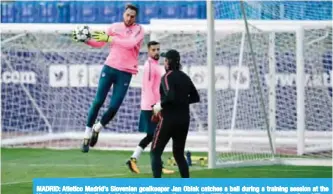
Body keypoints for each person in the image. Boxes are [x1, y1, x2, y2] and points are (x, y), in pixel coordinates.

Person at [73, 4, 145, 153]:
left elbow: (130, 43)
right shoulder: (114, 27)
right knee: (98, 101)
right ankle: (86, 136)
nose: (129, 18)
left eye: (132, 16)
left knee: (114, 107)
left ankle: (97, 128)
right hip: (109, 67)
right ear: (123, 14)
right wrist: (85, 40)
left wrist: (111, 39)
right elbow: (100, 43)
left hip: (125, 72)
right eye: (127, 15)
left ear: (135, 17)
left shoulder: (139, 30)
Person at [126, 41, 175, 175]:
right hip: (150, 107)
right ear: (148, 51)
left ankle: (134, 159)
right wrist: (154, 106)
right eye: (153, 50)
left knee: (152, 136)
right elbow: (148, 88)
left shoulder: (155, 66)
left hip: (155, 106)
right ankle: (155, 165)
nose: (156, 52)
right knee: (156, 136)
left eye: (158, 49)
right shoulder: (149, 66)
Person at [150, 49, 200, 178]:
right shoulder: (184, 77)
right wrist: (182, 102)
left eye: (165, 60)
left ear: (169, 62)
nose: (164, 63)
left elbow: (170, 96)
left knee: (155, 152)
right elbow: (195, 97)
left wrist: (159, 106)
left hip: (169, 119)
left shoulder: (167, 77)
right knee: (178, 154)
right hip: (184, 120)